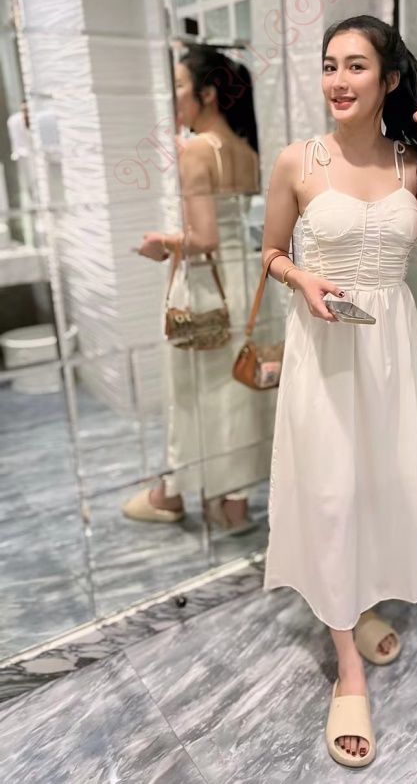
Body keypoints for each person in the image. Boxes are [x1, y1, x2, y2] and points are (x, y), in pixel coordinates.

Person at [260, 15, 417, 768]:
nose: (337, 81)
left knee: (377, 488)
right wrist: (301, 277)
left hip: (390, 354)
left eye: (355, 66)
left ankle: (357, 601)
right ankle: (346, 664)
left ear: (389, 79)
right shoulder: (298, 161)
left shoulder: (413, 163)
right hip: (325, 350)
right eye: (329, 65)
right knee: (332, 494)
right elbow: (269, 251)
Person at [123, 45, 282, 532]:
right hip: (246, 283)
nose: (172, 97)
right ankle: (232, 502)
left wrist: (162, 242)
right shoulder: (247, 151)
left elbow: (205, 238)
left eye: (178, 86)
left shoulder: (195, 150)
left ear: (207, 93)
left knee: (193, 392)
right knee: (237, 391)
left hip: (208, 286)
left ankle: (173, 493)